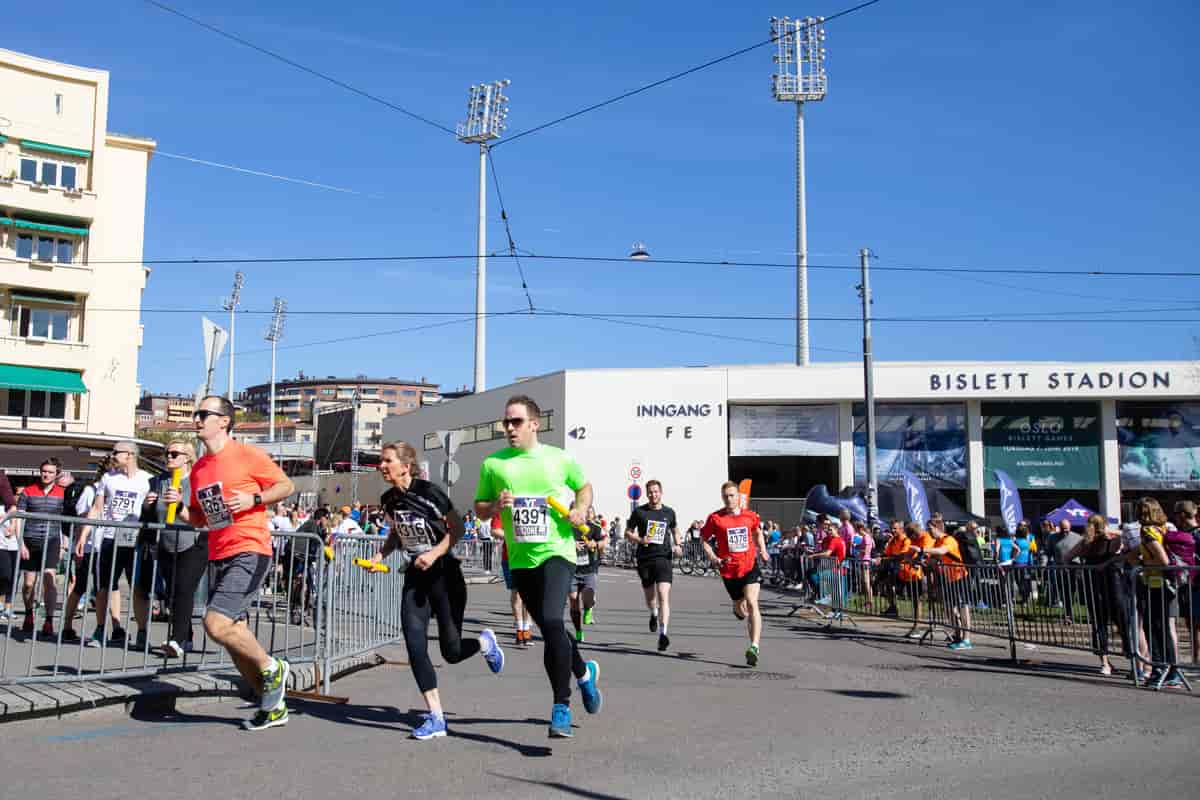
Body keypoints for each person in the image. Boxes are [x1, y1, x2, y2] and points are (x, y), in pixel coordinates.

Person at [164, 395, 297, 730]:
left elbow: (286, 485)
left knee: (215, 624)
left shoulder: (247, 454)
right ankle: (272, 704)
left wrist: (254, 498)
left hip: (250, 547)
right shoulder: (198, 470)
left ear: (224, 420)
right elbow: (199, 520)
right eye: (196, 414)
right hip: (218, 551)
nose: (197, 419)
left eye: (204, 414)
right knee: (233, 635)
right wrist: (180, 507)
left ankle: (272, 667)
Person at [474, 394, 602, 738]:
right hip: (520, 559)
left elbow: (584, 487)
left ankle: (561, 705)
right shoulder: (494, 464)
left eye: (516, 421)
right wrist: (494, 506)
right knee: (552, 629)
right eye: (506, 422)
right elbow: (479, 508)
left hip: (557, 552)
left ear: (534, 423)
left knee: (549, 619)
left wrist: (580, 507)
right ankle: (585, 674)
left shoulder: (559, 459)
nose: (509, 428)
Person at [370, 440, 504, 741]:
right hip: (415, 578)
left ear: (406, 466)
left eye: (387, 460)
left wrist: (433, 554)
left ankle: (484, 642)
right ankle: (436, 717)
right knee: (415, 645)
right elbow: (396, 533)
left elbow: (457, 529)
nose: (381, 466)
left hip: (445, 576)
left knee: (452, 651)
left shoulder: (430, 493)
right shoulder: (388, 500)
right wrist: (380, 555)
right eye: (381, 461)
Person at [80, 442, 152, 647]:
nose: (112, 455)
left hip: (136, 539)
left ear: (129, 455)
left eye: (116, 452)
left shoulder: (147, 480)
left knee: (138, 588)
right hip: (110, 537)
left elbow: (152, 509)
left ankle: (142, 632)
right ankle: (100, 630)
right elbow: (96, 508)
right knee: (104, 586)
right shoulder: (108, 478)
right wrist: (84, 534)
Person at [141, 439, 206, 657]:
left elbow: (204, 516)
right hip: (166, 542)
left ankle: (176, 641)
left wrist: (180, 504)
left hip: (193, 542)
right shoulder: (157, 481)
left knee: (184, 590)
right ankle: (186, 637)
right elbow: (149, 517)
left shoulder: (197, 482)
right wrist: (147, 506)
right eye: (166, 453)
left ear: (187, 458)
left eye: (174, 454)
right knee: (171, 593)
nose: (169, 457)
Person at [701, 480, 769, 667]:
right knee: (741, 608)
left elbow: (757, 533)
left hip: (749, 566)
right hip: (729, 570)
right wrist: (714, 557)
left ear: (738, 497)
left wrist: (762, 550)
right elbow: (704, 539)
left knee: (752, 602)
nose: (729, 499)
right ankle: (736, 607)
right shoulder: (715, 518)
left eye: (732, 495)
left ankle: (754, 646)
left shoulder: (750, 516)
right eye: (725, 496)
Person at [625, 478, 682, 652]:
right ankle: (653, 613)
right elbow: (628, 533)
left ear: (661, 492)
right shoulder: (640, 512)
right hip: (645, 559)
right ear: (647, 494)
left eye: (656, 491)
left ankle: (663, 634)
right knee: (651, 599)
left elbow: (675, 530)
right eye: (650, 492)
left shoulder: (669, 512)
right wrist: (640, 540)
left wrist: (678, 544)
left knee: (664, 595)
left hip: (664, 558)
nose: (653, 494)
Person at [15, 459, 66, 638]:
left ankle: (49, 621)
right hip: (30, 540)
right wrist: (20, 543)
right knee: (29, 584)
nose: (46, 474)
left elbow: (66, 520)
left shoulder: (62, 493)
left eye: (50, 472)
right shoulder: (28, 491)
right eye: (44, 471)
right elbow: (19, 519)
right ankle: (29, 614)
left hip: (52, 541)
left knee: (49, 581)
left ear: (56, 474)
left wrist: (64, 545)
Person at [922, 518, 973, 650]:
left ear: (937, 528)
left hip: (961, 576)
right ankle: (957, 635)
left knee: (963, 608)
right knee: (950, 608)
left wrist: (922, 549)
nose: (928, 531)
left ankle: (966, 639)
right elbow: (934, 558)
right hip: (949, 578)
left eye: (930, 529)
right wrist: (923, 562)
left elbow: (942, 552)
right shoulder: (937, 541)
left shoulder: (948, 540)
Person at [491, 513, 533, 647]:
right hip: (510, 558)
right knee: (517, 593)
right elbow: (494, 530)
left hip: (530, 557)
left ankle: (527, 629)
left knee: (529, 595)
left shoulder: (531, 504)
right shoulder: (503, 509)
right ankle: (519, 629)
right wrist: (513, 535)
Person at [570, 507, 607, 643]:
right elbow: (556, 542)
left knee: (588, 594)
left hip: (589, 570)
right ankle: (578, 631)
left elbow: (604, 541)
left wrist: (595, 544)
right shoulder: (567, 528)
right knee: (573, 602)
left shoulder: (594, 527)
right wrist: (570, 544)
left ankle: (588, 608)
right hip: (572, 571)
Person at [1173, 501, 1200, 664]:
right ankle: (1196, 660)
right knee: (1192, 624)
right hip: (1188, 584)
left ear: (1183, 515)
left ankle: (1197, 661)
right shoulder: (1183, 534)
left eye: (1176, 514)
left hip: (1196, 584)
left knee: (1196, 624)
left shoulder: (1196, 535)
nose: (1174, 518)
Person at [0, 469, 19, 621]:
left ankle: (7, 606)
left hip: (11, 543)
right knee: (5, 573)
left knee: (10, 575)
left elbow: (12, 506)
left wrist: (12, 524)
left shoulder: (1, 477)